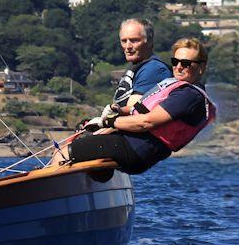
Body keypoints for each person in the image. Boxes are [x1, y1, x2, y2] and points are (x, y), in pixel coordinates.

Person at [63, 38, 217, 174]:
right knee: (89, 146)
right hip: (133, 144)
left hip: (136, 149)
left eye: (186, 63)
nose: (178, 67)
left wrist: (106, 121)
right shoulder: (179, 89)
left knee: (66, 151)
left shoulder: (188, 96)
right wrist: (117, 110)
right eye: (175, 62)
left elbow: (147, 122)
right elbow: (140, 110)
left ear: (201, 67)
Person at [91, 18, 173, 125]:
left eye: (134, 40)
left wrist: (103, 124)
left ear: (149, 41)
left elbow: (133, 112)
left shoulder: (154, 69)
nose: (128, 46)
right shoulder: (136, 67)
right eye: (124, 41)